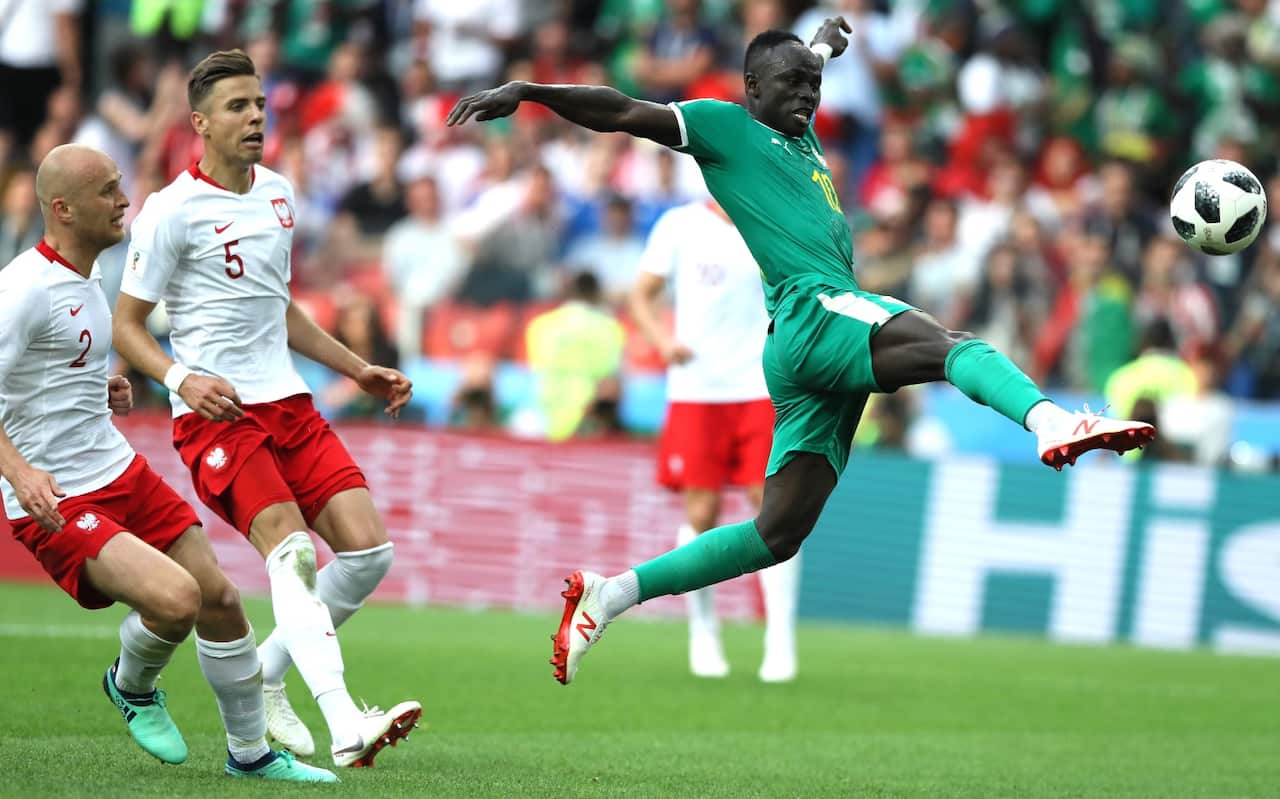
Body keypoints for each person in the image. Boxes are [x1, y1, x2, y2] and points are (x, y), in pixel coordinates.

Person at [447, 19, 1155, 686]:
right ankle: (1050, 421)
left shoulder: (800, 129)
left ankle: (611, 594)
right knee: (952, 346)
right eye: (791, 85)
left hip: (800, 346)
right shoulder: (725, 127)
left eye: (813, 88)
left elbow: (803, 66)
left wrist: (820, 47)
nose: (807, 96)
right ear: (751, 87)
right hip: (814, 309)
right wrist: (531, 91)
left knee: (777, 533)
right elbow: (621, 110)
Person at [112, 50, 421, 765]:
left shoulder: (279, 195)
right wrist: (182, 379)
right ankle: (346, 724)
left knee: (369, 553)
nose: (255, 117)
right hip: (217, 413)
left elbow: (278, 308)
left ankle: (269, 671)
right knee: (293, 552)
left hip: (288, 401)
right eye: (237, 107)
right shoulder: (170, 210)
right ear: (200, 124)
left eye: (258, 104)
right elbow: (127, 325)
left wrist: (356, 367)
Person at [0, 144, 335, 782]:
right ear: (64, 209)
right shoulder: (21, 289)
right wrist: (18, 471)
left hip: (118, 470)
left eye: (120, 185)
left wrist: (98, 389)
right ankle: (130, 685)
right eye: (107, 190)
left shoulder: (87, 277)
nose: (124, 200)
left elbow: (42, 373)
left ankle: (251, 756)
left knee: (221, 600)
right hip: (56, 496)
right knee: (177, 600)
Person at [630, 198, 801, 682]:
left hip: (762, 386)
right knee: (701, 513)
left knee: (772, 509)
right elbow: (641, 294)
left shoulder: (769, 216)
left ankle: (780, 638)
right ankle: (703, 631)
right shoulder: (679, 224)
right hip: (698, 388)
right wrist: (662, 341)